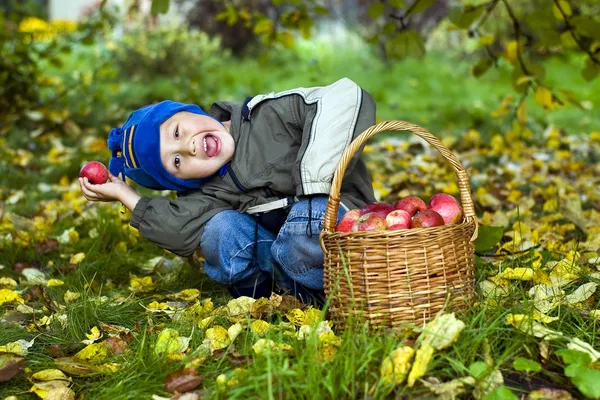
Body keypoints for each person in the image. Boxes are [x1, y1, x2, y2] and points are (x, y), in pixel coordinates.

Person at [79, 77, 377, 305]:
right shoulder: (208, 189)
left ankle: (329, 298)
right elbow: (178, 228)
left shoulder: (268, 115)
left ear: (187, 111)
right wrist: (123, 193)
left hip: (340, 234)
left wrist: (314, 185)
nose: (189, 146)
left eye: (177, 132)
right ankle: (262, 301)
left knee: (307, 216)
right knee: (219, 229)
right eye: (178, 161)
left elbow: (346, 94)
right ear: (183, 182)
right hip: (280, 261)